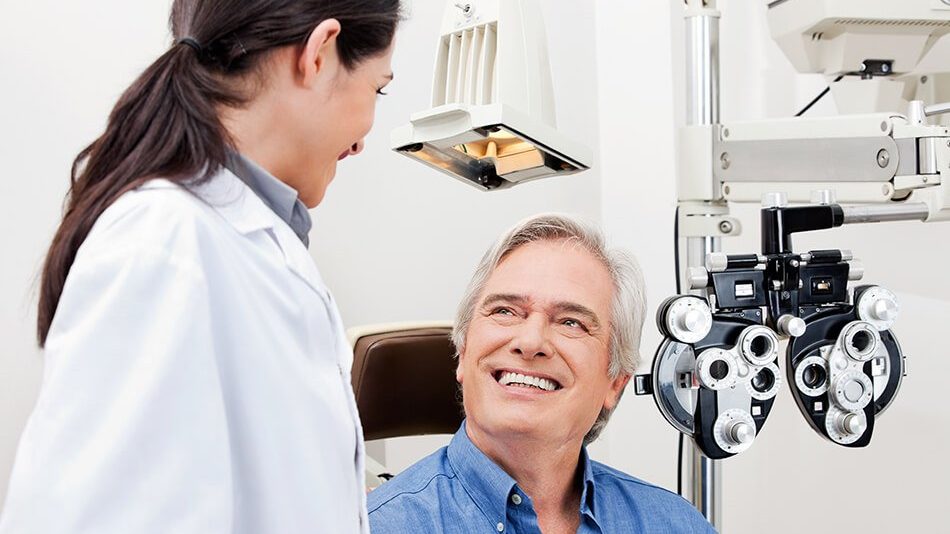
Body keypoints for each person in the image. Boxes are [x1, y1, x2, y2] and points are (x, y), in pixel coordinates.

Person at [0, 1, 401, 533]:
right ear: (321, 53)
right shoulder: (163, 243)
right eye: (378, 89)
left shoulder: (244, 245)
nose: (362, 139)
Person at [367, 214, 716, 534]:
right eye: (505, 311)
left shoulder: (676, 525)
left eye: (571, 322)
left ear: (616, 382)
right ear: (462, 352)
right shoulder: (377, 526)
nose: (531, 341)